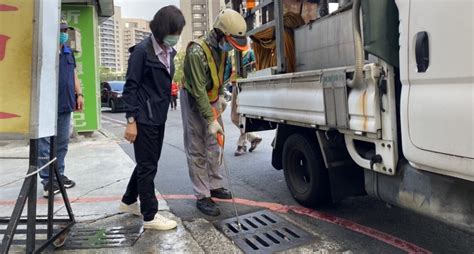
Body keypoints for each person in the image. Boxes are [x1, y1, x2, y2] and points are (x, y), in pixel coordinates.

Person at [118, 5, 185, 231]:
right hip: (144, 117)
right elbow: (131, 88)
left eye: (178, 32)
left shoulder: (168, 51)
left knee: (148, 163)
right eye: (174, 32)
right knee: (148, 166)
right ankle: (150, 216)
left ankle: (128, 201)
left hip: (159, 116)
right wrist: (131, 121)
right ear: (161, 29)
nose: (176, 37)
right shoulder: (141, 52)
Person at [181, 9, 248, 216]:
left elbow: (219, 75)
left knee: (215, 144)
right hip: (193, 98)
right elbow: (199, 89)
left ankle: (215, 184)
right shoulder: (196, 52)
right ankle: (202, 195)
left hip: (212, 97)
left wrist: (219, 97)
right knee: (197, 146)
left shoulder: (222, 49)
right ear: (220, 33)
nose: (231, 46)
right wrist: (210, 119)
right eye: (230, 40)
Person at [38, 19, 83, 198]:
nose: (64, 33)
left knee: (62, 143)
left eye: (65, 30)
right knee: (44, 144)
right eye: (61, 30)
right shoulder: (44, 51)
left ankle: (59, 175)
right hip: (46, 106)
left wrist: (79, 94)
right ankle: (48, 181)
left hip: (65, 104)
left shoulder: (67, 51)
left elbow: (73, 74)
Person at [224, 48, 262, 156]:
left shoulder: (250, 53)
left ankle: (242, 145)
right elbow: (226, 74)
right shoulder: (232, 56)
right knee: (234, 117)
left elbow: (257, 68)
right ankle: (253, 138)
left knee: (242, 118)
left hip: (246, 87)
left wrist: (251, 66)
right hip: (235, 86)